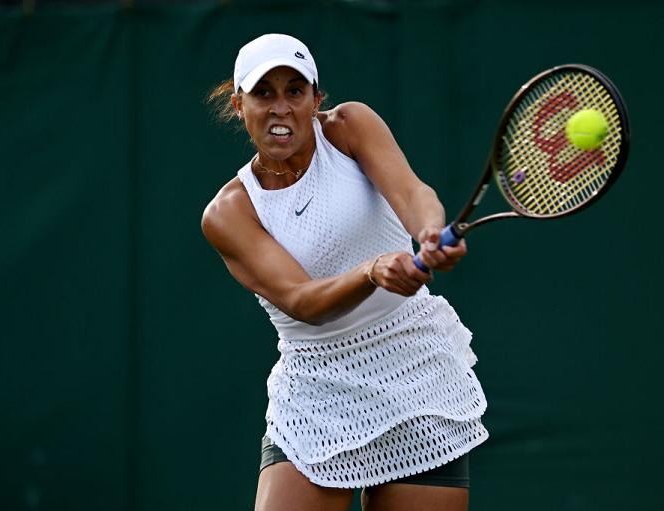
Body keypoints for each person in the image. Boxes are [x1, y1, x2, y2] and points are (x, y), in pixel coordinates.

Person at [202, 33, 488, 511]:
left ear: (316, 98)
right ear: (238, 104)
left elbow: (413, 193)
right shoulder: (229, 212)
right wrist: (372, 271)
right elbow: (301, 300)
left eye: (295, 91)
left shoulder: (349, 126)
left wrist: (430, 232)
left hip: (417, 370)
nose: (280, 107)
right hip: (317, 389)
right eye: (263, 93)